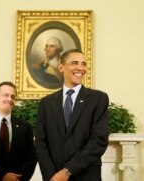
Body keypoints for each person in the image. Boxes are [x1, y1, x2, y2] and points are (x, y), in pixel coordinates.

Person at [35, 49, 110, 181]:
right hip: (53, 177)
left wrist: (67, 172)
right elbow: (41, 143)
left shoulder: (98, 99)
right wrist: (51, 176)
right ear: (61, 67)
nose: (80, 68)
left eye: (83, 64)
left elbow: (98, 141)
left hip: (87, 176)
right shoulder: (46, 103)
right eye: (75, 63)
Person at [0, 81, 37, 181]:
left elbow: (31, 157)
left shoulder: (25, 127)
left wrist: (17, 179)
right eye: (6, 95)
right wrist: (2, 175)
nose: (10, 99)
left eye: (13, 97)